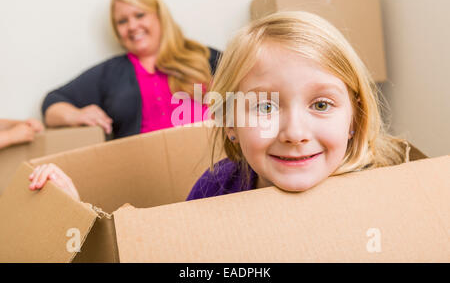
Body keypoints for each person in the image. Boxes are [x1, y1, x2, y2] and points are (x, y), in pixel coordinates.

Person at [28, 11, 414, 201]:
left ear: (355, 118)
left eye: (322, 104)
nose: (295, 133)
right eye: (263, 107)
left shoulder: (389, 188)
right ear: (229, 121)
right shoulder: (216, 188)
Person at [42, 0, 220, 139]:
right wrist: (76, 115)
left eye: (140, 15)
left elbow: (245, 81)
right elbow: (52, 104)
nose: (132, 26)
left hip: (212, 163)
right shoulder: (110, 73)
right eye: (122, 21)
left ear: (159, 16)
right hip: (144, 169)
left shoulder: (202, 56)